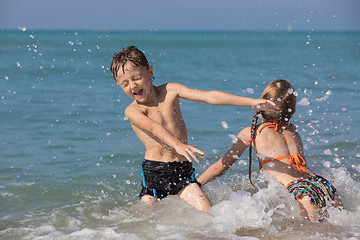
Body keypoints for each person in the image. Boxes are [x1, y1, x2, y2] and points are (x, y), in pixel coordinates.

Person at [110, 46, 276, 212]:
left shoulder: (170, 91)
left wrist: (250, 102)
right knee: (145, 218)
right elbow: (154, 128)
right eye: (125, 84)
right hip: (155, 173)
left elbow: (209, 97)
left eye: (136, 77)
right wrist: (178, 145)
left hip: (182, 171)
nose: (132, 86)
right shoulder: (133, 111)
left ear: (150, 72)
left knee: (209, 213)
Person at [198, 79, 342, 220]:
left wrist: (195, 184)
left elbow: (219, 168)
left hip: (300, 192)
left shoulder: (251, 132)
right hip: (322, 186)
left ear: (262, 103)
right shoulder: (292, 129)